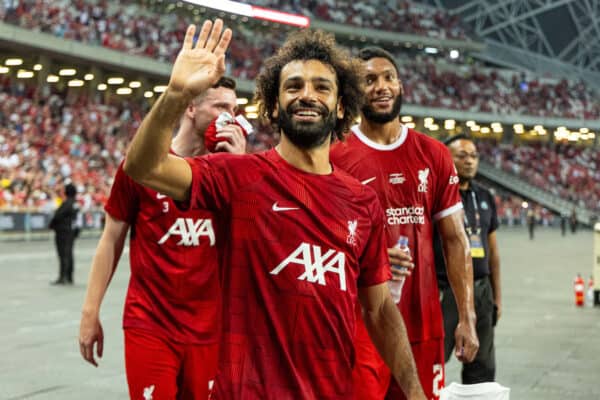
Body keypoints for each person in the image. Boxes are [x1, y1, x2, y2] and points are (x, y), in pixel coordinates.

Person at [123, 19, 426, 400]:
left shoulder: (362, 202)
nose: (307, 95)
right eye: (293, 86)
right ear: (273, 104)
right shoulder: (238, 176)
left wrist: (415, 391)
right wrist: (176, 94)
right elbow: (143, 167)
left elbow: (380, 310)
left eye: (322, 86)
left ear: (342, 104)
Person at [78, 76, 246, 400]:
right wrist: (90, 311)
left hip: (210, 330)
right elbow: (111, 239)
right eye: (221, 107)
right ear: (191, 108)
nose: (231, 118)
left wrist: (238, 171)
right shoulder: (143, 166)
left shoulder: (236, 172)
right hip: (151, 324)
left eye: (235, 110)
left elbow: (250, 245)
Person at [330, 47, 478, 400]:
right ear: (353, 91)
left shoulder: (434, 154)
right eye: (369, 80)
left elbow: (456, 240)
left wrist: (467, 316)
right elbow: (321, 241)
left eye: (389, 78)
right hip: (362, 324)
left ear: (400, 86)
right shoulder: (336, 154)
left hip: (424, 321)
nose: (381, 86)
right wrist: (372, 256)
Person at [434, 134, 501, 384]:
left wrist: (497, 298)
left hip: (482, 289)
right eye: (462, 156)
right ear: (446, 158)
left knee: (482, 365)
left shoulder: (484, 197)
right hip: (445, 290)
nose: (469, 161)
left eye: (474, 156)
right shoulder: (435, 194)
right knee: (433, 361)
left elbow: (493, 253)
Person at [49, 182, 79, 285]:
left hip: (63, 232)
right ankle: (69, 276)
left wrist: (51, 225)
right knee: (69, 254)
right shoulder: (75, 203)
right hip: (71, 232)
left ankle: (63, 277)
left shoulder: (67, 203)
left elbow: (57, 216)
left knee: (63, 255)